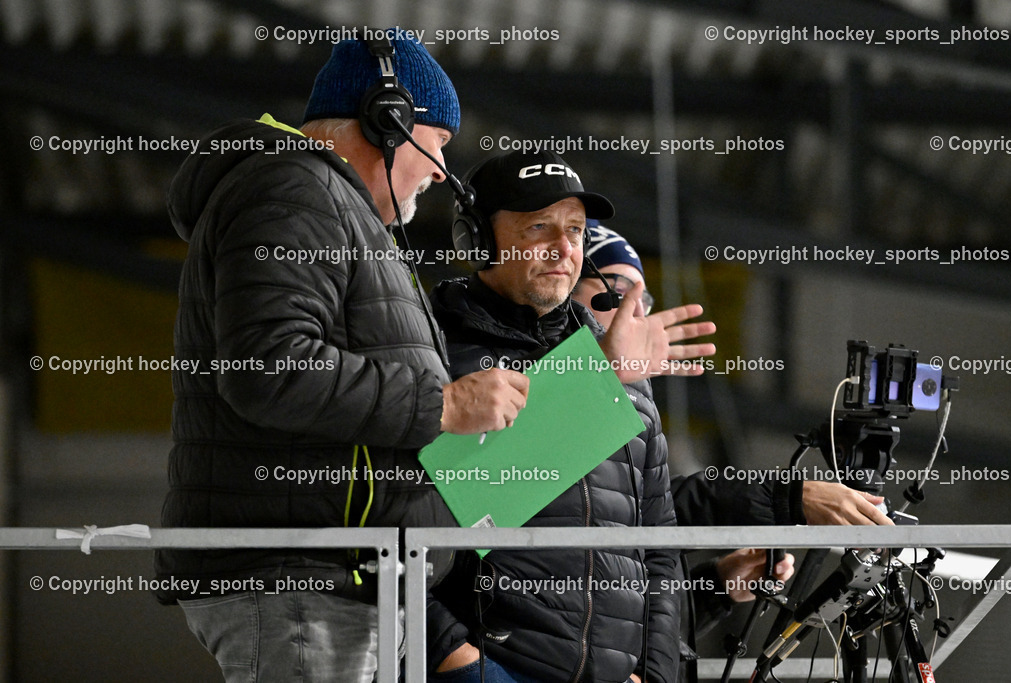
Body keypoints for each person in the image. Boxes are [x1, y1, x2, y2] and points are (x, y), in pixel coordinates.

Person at [155, 36, 534, 682]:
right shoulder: (294, 190)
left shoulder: (333, 210)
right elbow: (268, 369)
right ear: (386, 121)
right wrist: (444, 405)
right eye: (436, 142)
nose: (443, 170)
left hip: (332, 582)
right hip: (300, 583)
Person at [426, 150, 717, 683]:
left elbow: (658, 541)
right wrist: (453, 656)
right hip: (490, 667)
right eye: (539, 227)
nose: (564, 249)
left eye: (576, 231)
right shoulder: (431, 349)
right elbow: (403, 514)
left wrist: (653, 672)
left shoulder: (621, 371)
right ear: (477, 240)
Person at [572, 224, 894, 680]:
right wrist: (789, 498)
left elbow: (635, 590)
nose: (633, 313)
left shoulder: (631, 406)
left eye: (643, 302)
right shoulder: (528, 400)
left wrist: (715, 587)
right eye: (614, 292)